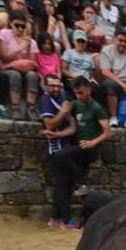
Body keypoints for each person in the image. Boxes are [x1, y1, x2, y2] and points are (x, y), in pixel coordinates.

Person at [45, 75, 110, 228]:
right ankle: (59, 218)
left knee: (59, 157)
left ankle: (82, 181)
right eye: (76, 93)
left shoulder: (96, 108)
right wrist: (56, 135)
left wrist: (92, 142)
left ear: (88, 90)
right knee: (63, 181)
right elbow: (72, 128)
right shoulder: (75, 105)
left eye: (81, 92)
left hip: (89, 150)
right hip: (77, 150)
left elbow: (107, 132)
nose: (79, 96)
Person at [38, 74, 79, 229]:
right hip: (56, 148)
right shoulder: (45, 100)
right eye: (52, 85)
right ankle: (66, 220)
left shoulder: (62, 99)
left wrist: (57, 134)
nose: (56, 88)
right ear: (46, 86)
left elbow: (72, 127)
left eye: (58, 85)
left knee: (65, 183)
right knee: (63, 184)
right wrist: (62, 112)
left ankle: (56, 218)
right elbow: (49, 125)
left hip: (65, 145)